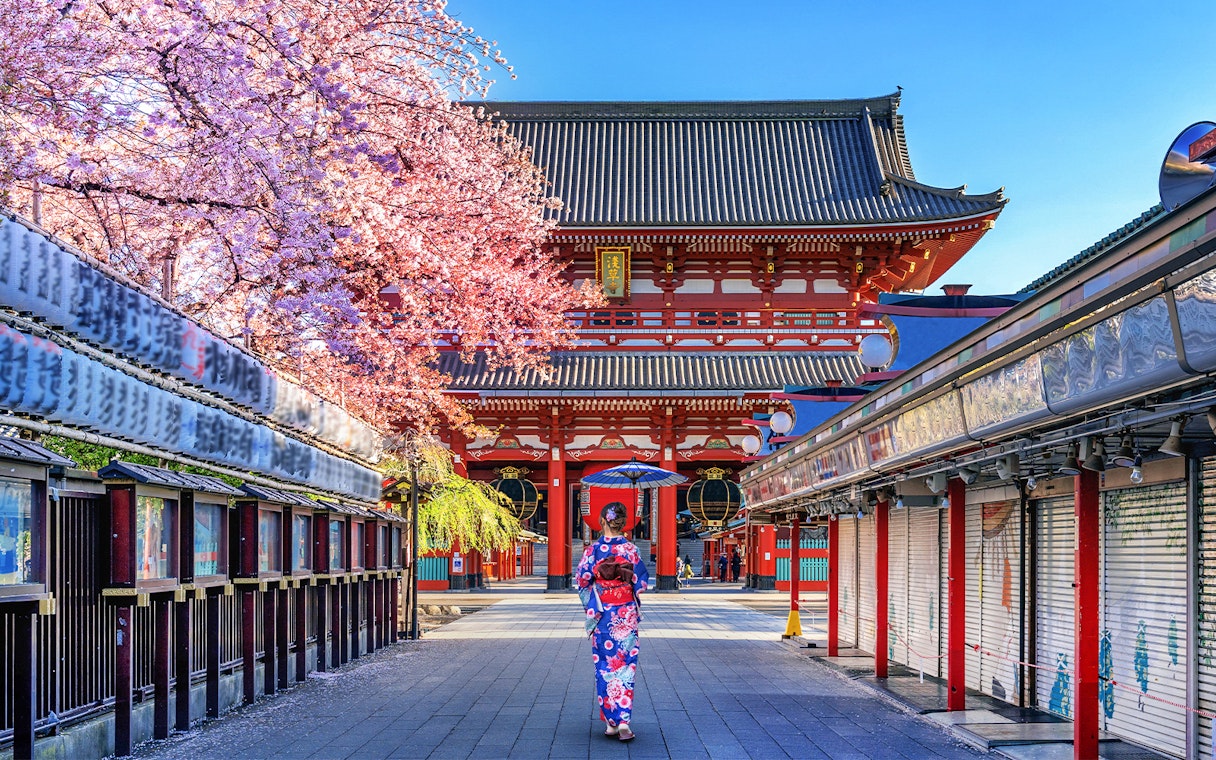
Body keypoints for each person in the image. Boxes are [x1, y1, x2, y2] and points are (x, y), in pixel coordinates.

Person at [576, 502, 649, 742]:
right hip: (625, 615)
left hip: (604, 614)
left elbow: (583, 580)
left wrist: (595, 601)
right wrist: (626, 590)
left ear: (602, 520)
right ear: (622, 522)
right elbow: (641, 582)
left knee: (604, 667)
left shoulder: (593, 550)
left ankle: (610, 722)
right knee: (626, 666)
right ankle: (624, 721)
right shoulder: (631, 550)